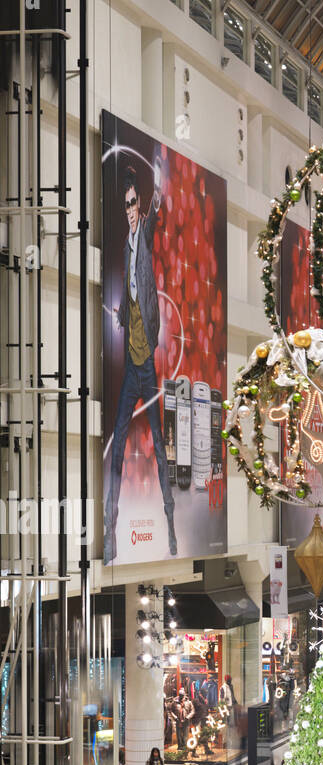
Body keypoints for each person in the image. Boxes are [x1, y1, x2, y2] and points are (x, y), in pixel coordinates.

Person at [105, 165, 177, 566]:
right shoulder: (124, 248)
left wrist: (158, 187)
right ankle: (110, 536)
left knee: (160, 447)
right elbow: (131, 297)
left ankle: (170, 531)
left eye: (135, 202)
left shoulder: (145, 235)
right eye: (127, 205)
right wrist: (120, 316)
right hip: (131, 368)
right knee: (117, 444)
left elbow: (158, 208)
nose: (131, 209)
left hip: (145, 363)